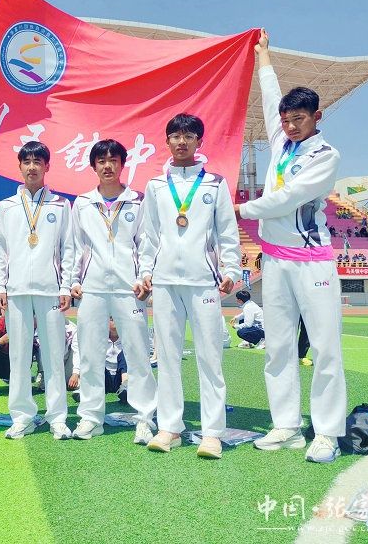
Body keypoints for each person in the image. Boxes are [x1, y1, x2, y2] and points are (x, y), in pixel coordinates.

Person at [236, 29, 346, 464]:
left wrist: (242, 209)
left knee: (324, 348)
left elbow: (288, 198)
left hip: (312, 262)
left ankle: (327, 432)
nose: (290, 125)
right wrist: (264, 56)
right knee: (278, 347)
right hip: (275, 261)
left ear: (317, 116)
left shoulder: (326, 156)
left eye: (299, 118)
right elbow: (270, 98)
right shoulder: (281, 141)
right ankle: (286, 426)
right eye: (286, 119)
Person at [141, 113, 241, 459]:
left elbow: (227, 231)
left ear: (199, 141)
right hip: (165, 281)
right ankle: (170, 427)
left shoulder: (214, 184)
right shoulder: (156, 186)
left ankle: (212, 432)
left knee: (209, 357)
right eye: (175, 136)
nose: (181, 141)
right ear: (167, 141)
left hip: (203, 282)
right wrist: (145, 271)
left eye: (188, 136)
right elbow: (149, 235)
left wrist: (231, 269)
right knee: (167, 357)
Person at [69, 138, 157, 443]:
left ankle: (145, 417)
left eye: (113, 161)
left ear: (122, 164)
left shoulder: (137, 201)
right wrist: (74, 280)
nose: (107, 166)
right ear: (93, 166)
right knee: (90, 354)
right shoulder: (82, 203)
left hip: (129, 287)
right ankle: (91, 417)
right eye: (101, 161)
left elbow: (146, 243)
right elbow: (76, 245)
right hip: (92, 287)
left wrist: (144, 276)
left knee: (138, 354)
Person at [0, 141, 74, 440]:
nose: (32, 167)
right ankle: (22, 416)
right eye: (27, 162)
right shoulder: (7, 206)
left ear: (47, 166)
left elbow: (68, 248)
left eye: (38, 162)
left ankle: (57, 417)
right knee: (19, 356)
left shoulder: (61, 205)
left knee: (53, 355)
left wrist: (65, 285)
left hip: (50, 290)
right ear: (20, 166)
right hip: (16, 290)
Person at [69, 318, 129, 404]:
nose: (115, 321)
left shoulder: (127, 338)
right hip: (104, 376)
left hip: (121, 377)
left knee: (124, 354)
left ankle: (125, 387)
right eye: (111, 319)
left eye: (116, 317)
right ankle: (86, 389)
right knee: (93, 353)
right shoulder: (99, 338)